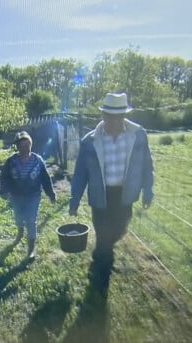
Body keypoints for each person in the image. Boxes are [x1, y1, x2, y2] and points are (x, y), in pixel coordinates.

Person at [69, 92, 154, 295]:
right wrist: (74, 200)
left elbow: (146, 165)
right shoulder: (89, 141)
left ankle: (102, 252)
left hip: (125, 194)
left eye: (117, 117)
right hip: (101, 195)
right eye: (109, 116)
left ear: (123, 116)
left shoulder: (138, 135)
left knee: (120, 229)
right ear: (103, 115)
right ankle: (101, 274)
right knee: (103, 232)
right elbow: (80, 173)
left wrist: (148, 190)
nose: (113, 121)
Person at [0, 131, 56, 259]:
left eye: (28, 144)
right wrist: (4, 190)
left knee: (31, 220)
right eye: (23, 145)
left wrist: (51, 194)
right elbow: (4, 177)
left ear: (31, 145)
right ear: (18, 147)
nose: (26, 148)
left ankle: (30, 250)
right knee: (19, 218)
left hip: (33, 195)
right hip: (16, 196)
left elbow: (45, 178)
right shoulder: (11, 161)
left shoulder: (37, 161)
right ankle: (20, 231)